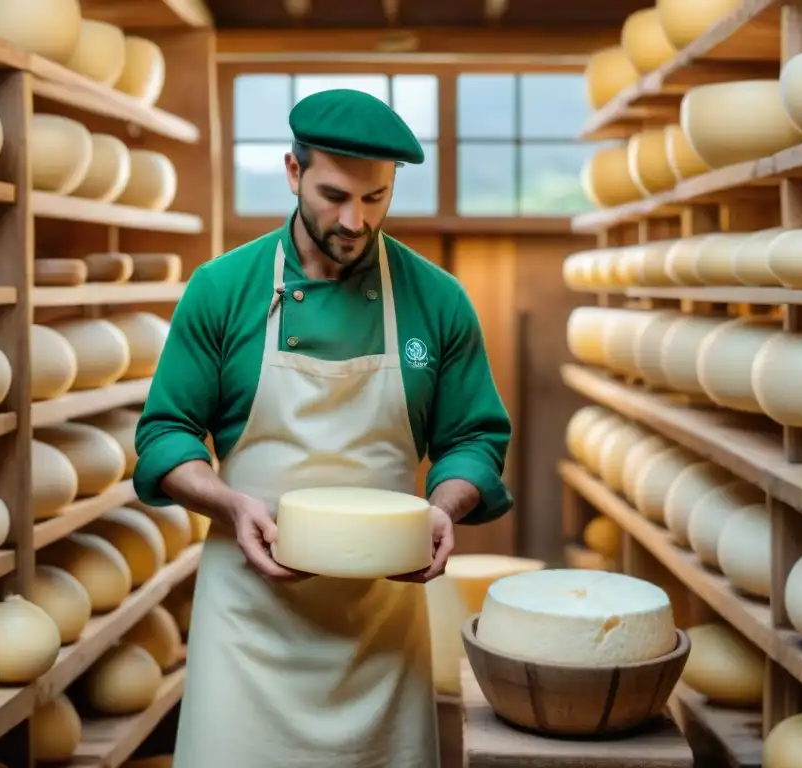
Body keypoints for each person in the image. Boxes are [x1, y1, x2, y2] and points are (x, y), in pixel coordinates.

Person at [133, 87, 512, 768]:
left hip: (380, 630)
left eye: (375, 198)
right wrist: (229, 503)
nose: (355, 219)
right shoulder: (223, 290)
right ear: (292, 172)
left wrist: (444, 505)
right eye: (335, 195)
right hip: (249, 625)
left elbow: (474, 439)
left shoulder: (437, 300)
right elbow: (166, 436)